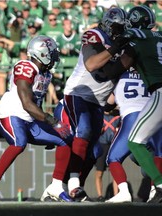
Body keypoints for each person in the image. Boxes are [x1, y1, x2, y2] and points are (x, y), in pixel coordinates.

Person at [0, 35, 73, 202]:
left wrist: (51, 128)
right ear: (43, 53)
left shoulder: (46, 74)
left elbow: (35, 105)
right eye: (51, 53)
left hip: (30, 121)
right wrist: (52, 121)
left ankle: (56, 186)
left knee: (65, 139)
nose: (54, 57)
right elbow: (27, 103)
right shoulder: (25, 67)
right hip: (12, 115)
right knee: (19, 143)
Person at [61, 7, 129, 200]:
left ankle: (76, 188)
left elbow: (113, 73)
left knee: (94, 150)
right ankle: (70, 183)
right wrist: (116, 48)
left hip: (98, 102)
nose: (119, 31)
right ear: (108, 24)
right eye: (117, 27)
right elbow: (92, 64)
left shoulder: (123, 44)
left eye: (122, 28)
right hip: (78, 94)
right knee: (82, 131)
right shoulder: (94, 35)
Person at [101, 5, 162, 203]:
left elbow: (113, 71)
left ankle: (159, 185)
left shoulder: (135, 39)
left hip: (157, 93)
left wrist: (113, 51)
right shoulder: (158, 36)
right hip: (153, 98)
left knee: (134, 143)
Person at [95, 108, 120, 202]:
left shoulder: (117, 117)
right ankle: (100, 195)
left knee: (115, 171)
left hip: (113, 145)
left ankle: (116, 194)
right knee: (99, 172)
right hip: (102, 145)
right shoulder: (99, 116)